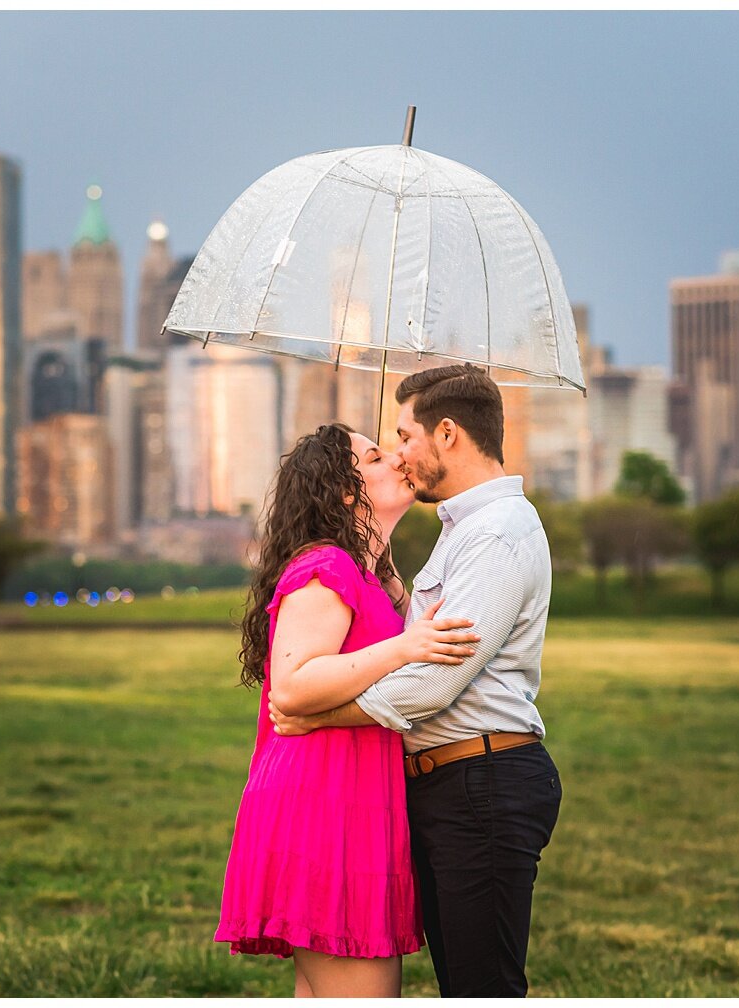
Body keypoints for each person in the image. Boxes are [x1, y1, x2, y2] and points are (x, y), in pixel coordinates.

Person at [270, 364, 561, 997]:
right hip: (437, 787)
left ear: (448, 434)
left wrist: (316, 715)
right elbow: (405, 648)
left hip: (479, 779)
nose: (400, 455)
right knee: (459, 981)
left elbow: (430, 685)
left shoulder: (498, 532)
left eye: (404, 436)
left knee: (481, 987)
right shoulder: (455, 532)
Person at [215, 422, 482, 997]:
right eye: (377, 458)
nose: (399, 461)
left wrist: (391, 588)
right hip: (323, 805)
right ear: (342, 490)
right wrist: (405, 644)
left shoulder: (366, 576)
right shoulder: (327, 568)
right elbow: (293, 685)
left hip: (350, 803)